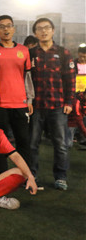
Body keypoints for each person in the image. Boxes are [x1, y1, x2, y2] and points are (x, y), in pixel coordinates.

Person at [29, 18, 75, 190]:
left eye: (47, 28)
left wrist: (69, 101)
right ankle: (32, 175)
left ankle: (60, 177)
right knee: (32, 144)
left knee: (60, 145)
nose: (44, 31)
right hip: (36, 106)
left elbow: (70, 79)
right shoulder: (31, 53)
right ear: (35, 33)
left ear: (53, 31)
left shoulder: (63, 53)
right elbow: (26, 79)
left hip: (58, 106)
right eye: (40, 28)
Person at [0, 15, 34, 166]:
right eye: (2, 27)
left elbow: (27, 77)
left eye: (8, 26)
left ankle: (24, 173)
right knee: (0, 141)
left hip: (20, 103)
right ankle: (2, 172)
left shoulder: (23, 50)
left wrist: (29, 99)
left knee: (23, 140)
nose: (6, 29)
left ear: (14, 29)